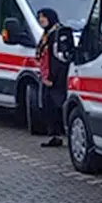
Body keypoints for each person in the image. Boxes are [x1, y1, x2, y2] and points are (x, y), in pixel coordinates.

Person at [35, 8, 75, 148]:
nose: (41, 20)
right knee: (47, 106)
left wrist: (52, 77)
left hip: (56, 77)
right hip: (47, 75)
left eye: (43, 17)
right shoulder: (47, 34)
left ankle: (62, 134)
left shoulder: (57, 34)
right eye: (39, 17)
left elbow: (58, 59)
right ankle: (54, 136)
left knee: (56, 105)